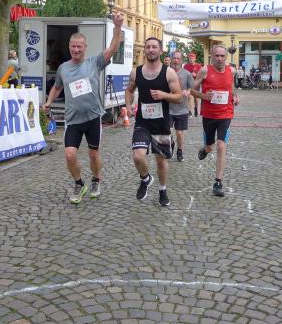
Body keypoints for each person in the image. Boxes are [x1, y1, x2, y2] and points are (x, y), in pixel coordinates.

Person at [42, 12, 124, 204]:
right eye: (73, 46)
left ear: (85, 48)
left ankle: (96, 179)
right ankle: (79, 183)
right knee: (70, 154)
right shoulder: (63, 68)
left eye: (79, 46)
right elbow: (57, 87)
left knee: (93, 154)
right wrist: (49, 102)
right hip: (73, 120)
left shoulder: (94, 62)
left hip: (93, 117)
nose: (76, 49)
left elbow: (113, 48)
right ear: (69, 47)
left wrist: (118, 26)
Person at [125, 37, 183, 206]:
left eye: (154, 47)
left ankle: (162, 190)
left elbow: (179, 97)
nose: (151, 50)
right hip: (142, 122)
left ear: (160, 50)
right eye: (148, 47)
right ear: (145, 50)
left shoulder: (168, 73)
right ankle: (145, 178)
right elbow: (129, 90)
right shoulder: (136, 72)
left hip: (161, 124)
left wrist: (164, 95)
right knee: (138, 155)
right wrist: (128, 106)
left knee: (161, 160)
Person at [191, 44, 239, 197]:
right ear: (211, 56)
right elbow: (192, 90)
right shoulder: (205, 70)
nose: (219, 59)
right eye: (216, 56)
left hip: (226, 114)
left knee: (221, 145)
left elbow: (231, 86)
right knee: (210, 147)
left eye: (222, 56)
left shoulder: (231, 71)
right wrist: (204, 96)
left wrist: (235, 96)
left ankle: (218, 182)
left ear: (226, 57)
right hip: (209, 115)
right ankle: (205, 150)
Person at [169, 51, 193, 162]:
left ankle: (180, 150)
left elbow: (192, 88)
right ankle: (171, 143)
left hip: (182, 108)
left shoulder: (187, 74)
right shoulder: (165, 72)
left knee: (179, 133)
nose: (176, 61)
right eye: (174, 58)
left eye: (178, 58)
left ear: (181, 60)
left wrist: (188, 92)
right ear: (171, 59)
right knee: (167, 132)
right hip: (167, 108)